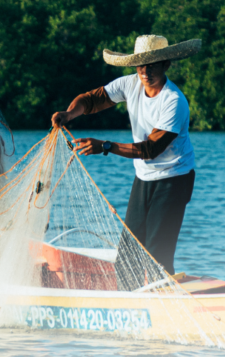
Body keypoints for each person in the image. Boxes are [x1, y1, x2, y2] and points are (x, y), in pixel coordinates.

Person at [51, 35, 200, 288]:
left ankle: (167, 307)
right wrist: (68, 113)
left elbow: (150, 148)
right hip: (144, 179)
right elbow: (91, 100)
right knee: (128, 258)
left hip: (174, 179)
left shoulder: (174, 101)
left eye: (152, 65)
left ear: (166, 65)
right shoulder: (130, 84)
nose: (145, 71)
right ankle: (131, 306)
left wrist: (105, 146)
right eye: (140, 65)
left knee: (157, 257)